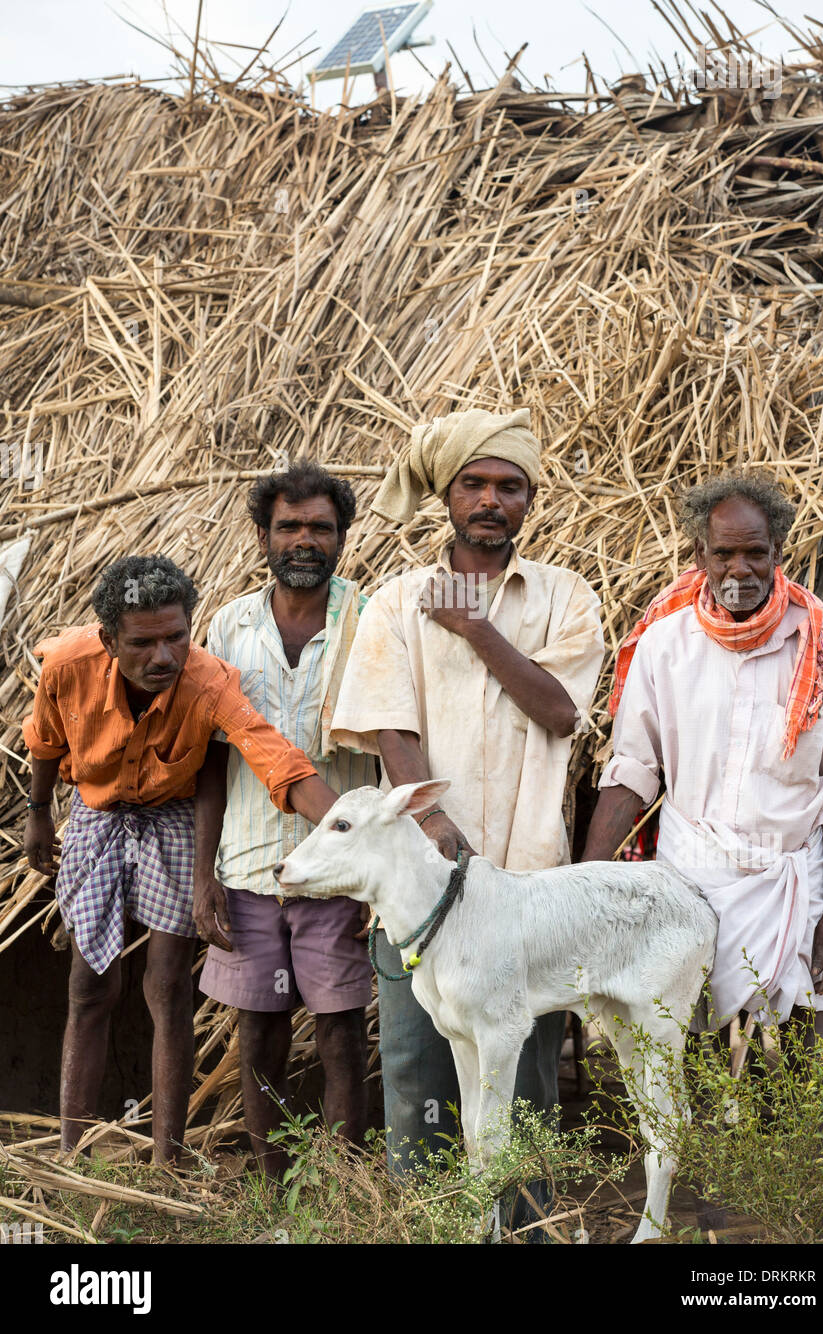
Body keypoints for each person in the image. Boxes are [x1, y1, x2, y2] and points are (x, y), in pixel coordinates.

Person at [330, 407, 605, 1173]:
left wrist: (477, 628)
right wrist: (435, 822)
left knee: (525, 1085)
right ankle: (426, 1224)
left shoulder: (567, 598)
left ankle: (524, 1230)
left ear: (530, 500)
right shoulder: (395, 602)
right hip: (421, 885)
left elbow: (559, 712)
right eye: (474, 484)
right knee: (419, 1072)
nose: (491, 500)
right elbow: (390, 726)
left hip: (528, 890)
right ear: (446, 497)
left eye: (509, 486)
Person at [22, 554, 336, 1163]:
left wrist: (354, 829)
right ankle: (71, 1151)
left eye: (176, 637)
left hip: (173, 817)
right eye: (142, 643)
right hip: (100, 814)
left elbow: (274, 756)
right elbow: (45, 739)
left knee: (167, 985)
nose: (162, 657)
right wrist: (37, 810)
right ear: (109, 639)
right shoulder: (67, 664)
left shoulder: (210, 680)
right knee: (89, 987)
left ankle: (167, 1156)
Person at [583, 471, 823, 1042]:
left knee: (792, 1064)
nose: (741, 570)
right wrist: (584, 881)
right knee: (688, 1051)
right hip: (690, 878)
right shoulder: (665, 644)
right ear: (700, 555)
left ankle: (788, 1137)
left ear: (778, 551)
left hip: (792, 883)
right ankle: (702, 1137)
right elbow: (633, 770)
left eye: (755, 553)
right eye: (725, 554)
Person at [195, 464, 377, 1177]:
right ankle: (274, 1182)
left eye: (320, 529)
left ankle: (340, 1185)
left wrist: (378, 882)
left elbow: (396, 749)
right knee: (260, 1032)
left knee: (339, 1034)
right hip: (247, 866)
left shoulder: (372, 620)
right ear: (262, 535)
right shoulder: (228, 626)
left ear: (343, 536)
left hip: (340, 874)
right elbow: (211, 759)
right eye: (289, 528)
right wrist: (205, 874)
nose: (305, 542)